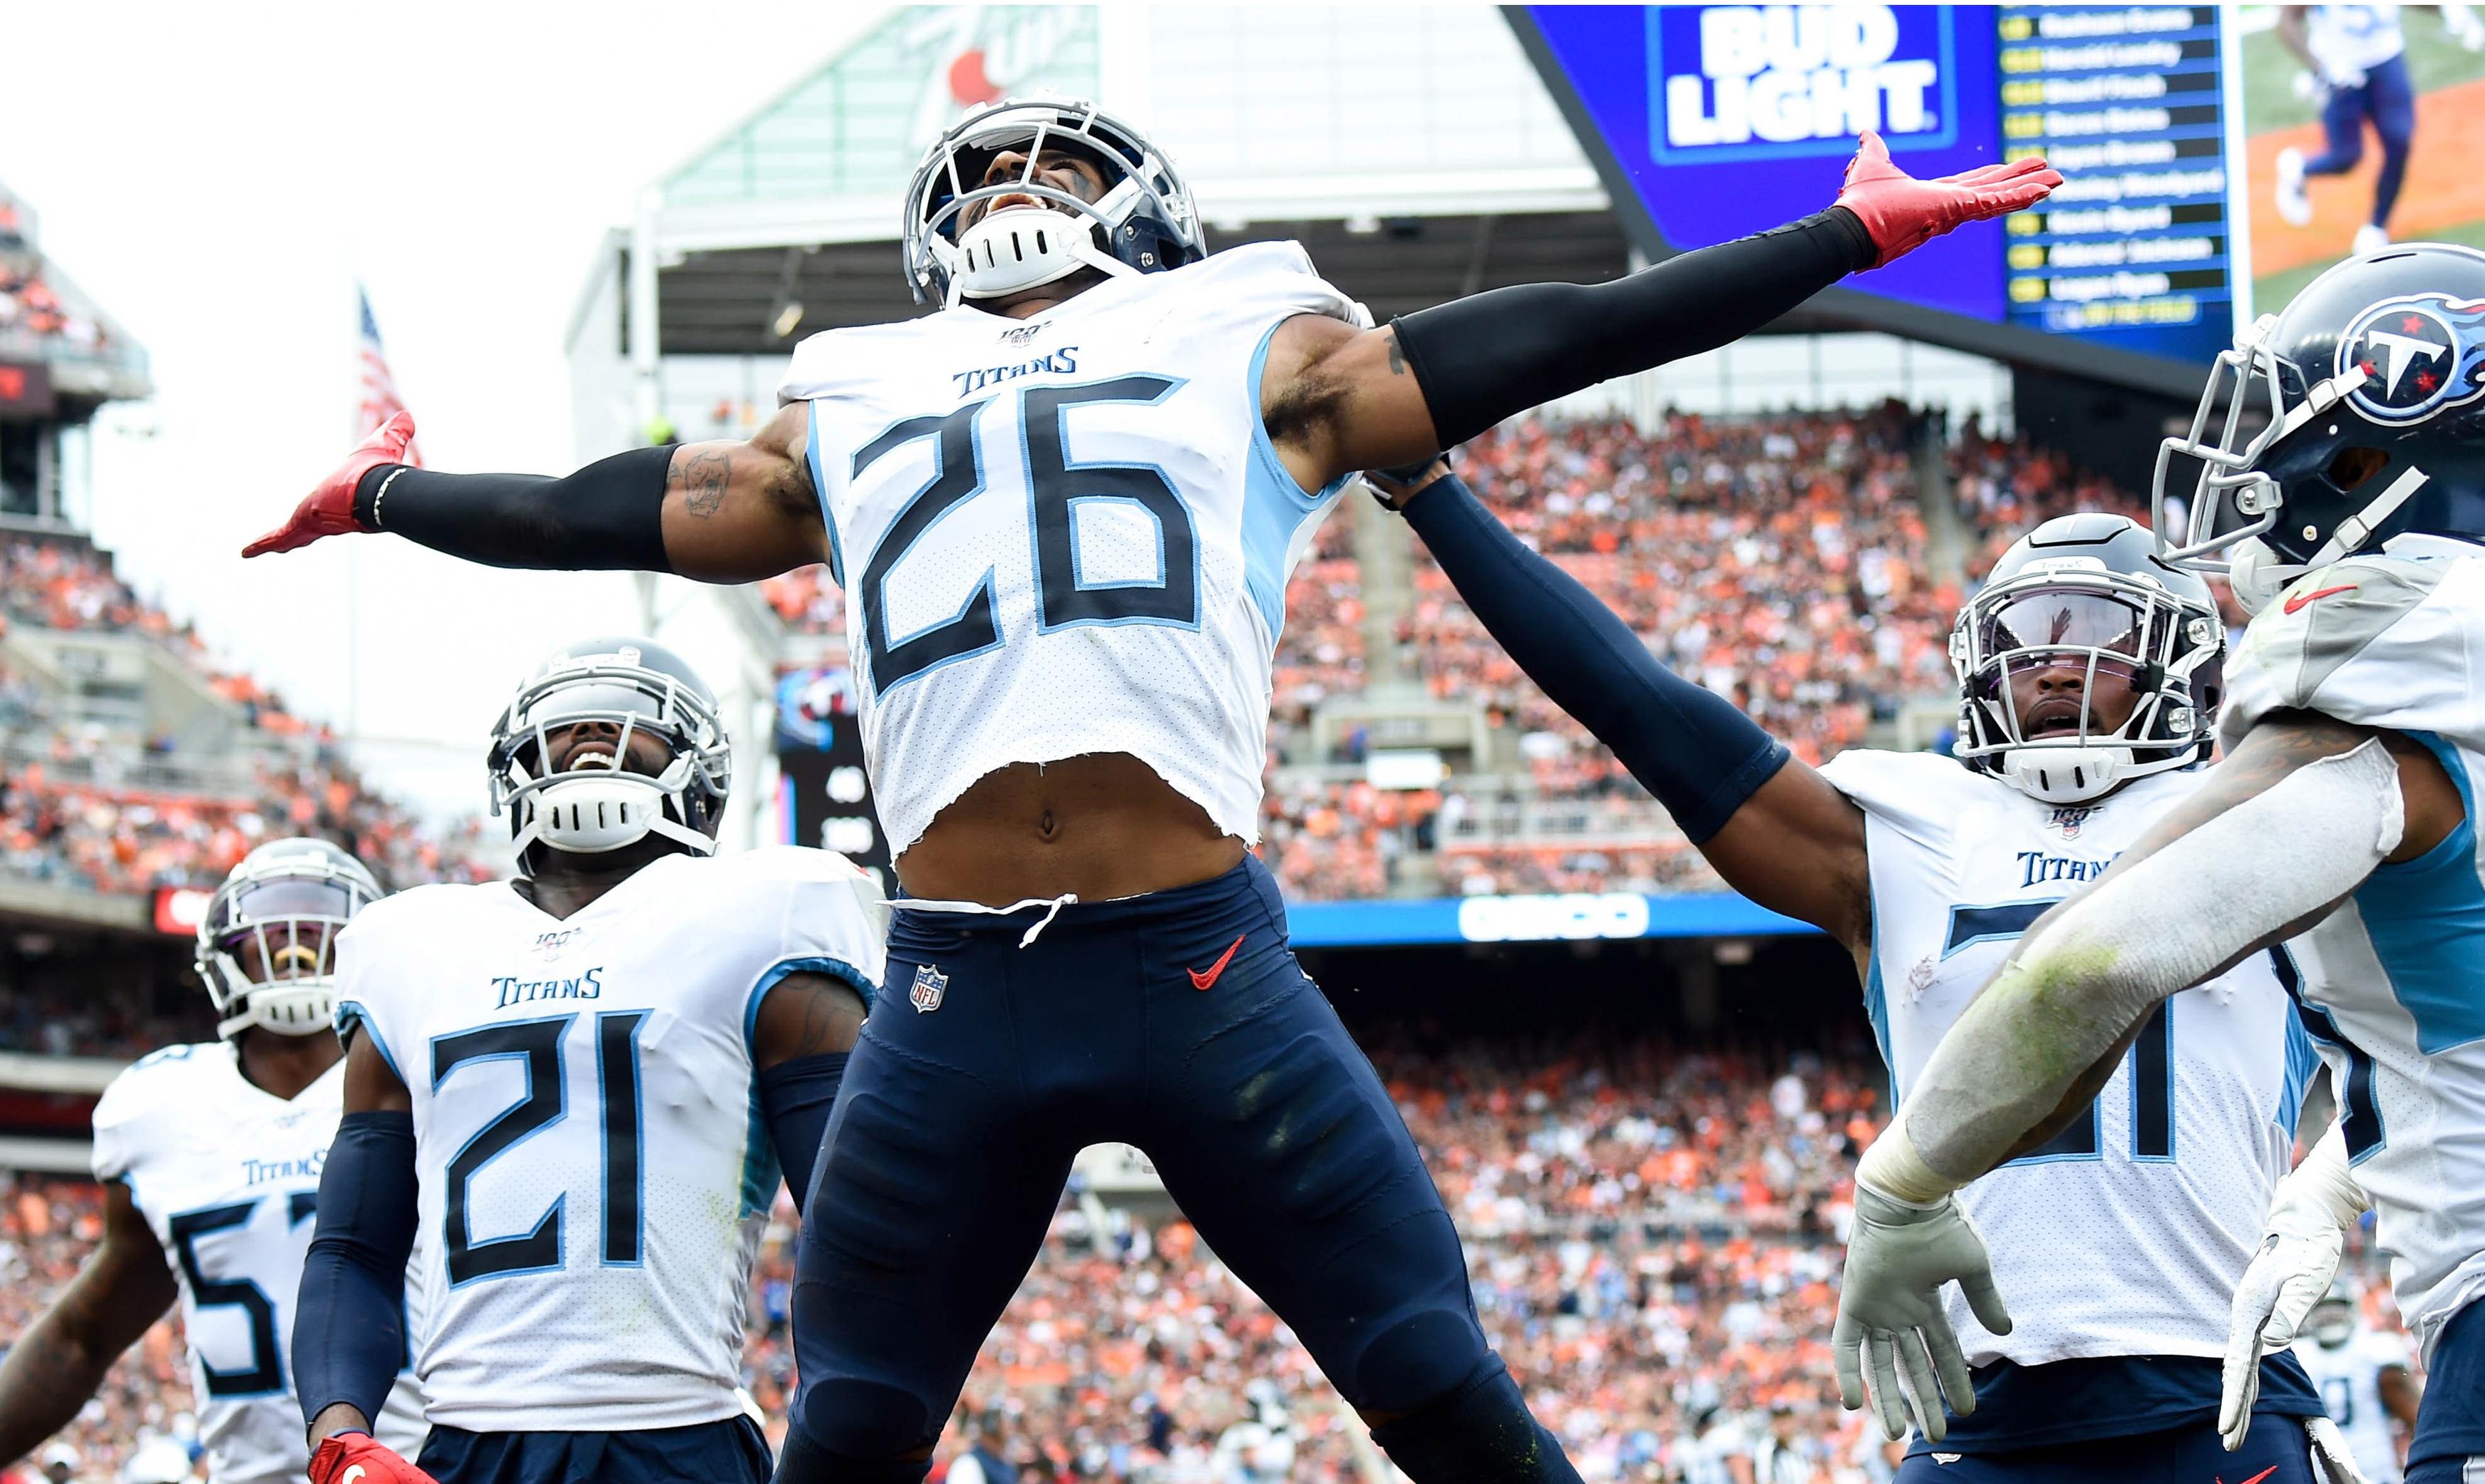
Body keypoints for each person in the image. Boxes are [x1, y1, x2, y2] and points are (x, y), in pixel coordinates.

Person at [247, 96, 2057, 1484]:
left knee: (1353, 1382)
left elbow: (591, 514)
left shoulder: (858, 398)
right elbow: (1559, 331)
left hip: (1025, 982)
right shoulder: (1252, 340)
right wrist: (1830, 233)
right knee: (1398, 1386)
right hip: (1116, 973)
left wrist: (389, 494)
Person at [1370, 447, 2331, 1480]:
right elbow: (1643, 709)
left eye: (2096, 632)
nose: (2054, 663)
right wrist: (1432, 496)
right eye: (2027, 637)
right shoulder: (1912, 828)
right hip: (1979, 1408)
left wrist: (2331, 1190)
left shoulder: (2267, 812)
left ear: (2187, 663)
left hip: (2217, 1390)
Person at [1825, 240, 2485, 1484]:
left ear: (2383, 451)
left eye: (2291, 439)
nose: (2254, 478)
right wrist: (2336, 1183)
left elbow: (2085, 969)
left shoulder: (2387, 683)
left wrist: (1903, 1186)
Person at [288, 637, 883, 1484]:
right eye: (569, 721)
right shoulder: (410, 945)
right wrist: (341, 1442)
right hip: (464, 1442)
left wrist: (865, 1427)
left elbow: (854, 1221)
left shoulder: (765, 910)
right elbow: (354, 1248)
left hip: (678, 1434)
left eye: (631, 718)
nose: (596, 731)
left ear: (702, 773)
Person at [0, 840, 429, 1484]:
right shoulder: (162, 1108)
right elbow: (84, 1336)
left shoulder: (423, 1073)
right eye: (270, 930)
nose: (295, 947)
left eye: (322, 927)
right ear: (220, 959)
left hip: (421, 1470)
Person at [2273, 6, 2485, 255]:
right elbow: (2286, 23)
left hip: (2386, 61)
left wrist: (2449, 8)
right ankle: (2299, 169)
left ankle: (2376, 227)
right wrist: (2322, 69)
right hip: (2341, 69)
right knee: (2345, 158)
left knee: (2399, 140)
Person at [2295, 1283, 2423, 1483]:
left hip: (2371, 1470)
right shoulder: (2299, 1355)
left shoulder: (2376, 1350)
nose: (2329, 1316)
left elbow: (2415, 1418)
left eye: (2336, 1308)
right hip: (2323, 1473)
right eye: (2323, 1309)